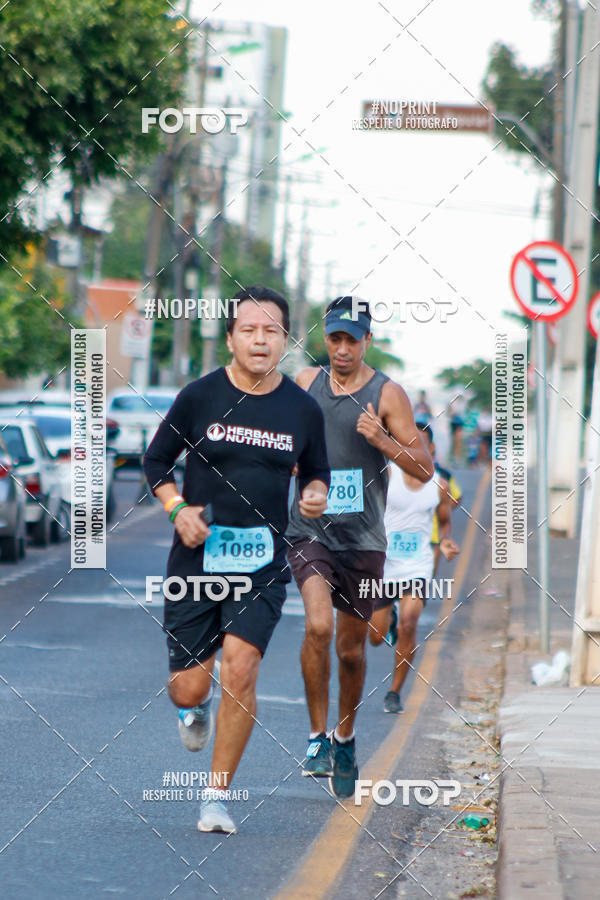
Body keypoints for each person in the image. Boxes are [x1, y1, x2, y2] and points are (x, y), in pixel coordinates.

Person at [143, 286, 330, 834]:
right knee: (191, 687)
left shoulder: (302, 409)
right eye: (249, 329)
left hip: (261, 563)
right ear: (230, 337)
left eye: (271, 330)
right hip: (196, 561)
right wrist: (177, 508)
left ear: (285, 340)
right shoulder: (200, 397)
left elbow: (318, 472)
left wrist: (315, 492)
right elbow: (155, 460)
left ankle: (216, 799)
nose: (260, 339)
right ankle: (191, 708)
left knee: (242, 669)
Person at [286, 296, 433, 798]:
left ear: (367, 340)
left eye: (352, 339)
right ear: (324, 339)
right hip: (312, 531)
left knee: (351, 651)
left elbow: (423, 467)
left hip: (365, 540)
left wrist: (382, 439)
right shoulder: (305, 384)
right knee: (318, 625)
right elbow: (277, 433)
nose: (342, 348)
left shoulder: (387, 394)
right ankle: (315, 738)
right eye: (335, 338)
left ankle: (345, 738)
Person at [368, 423, 460, 712]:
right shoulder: (387, 476)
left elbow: (444, 522)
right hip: (384, 565)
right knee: (375, 637)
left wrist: (445, 542)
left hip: (418, 565)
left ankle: (395, 692)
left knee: (411, 623)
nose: (413, 450)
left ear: (430, 450)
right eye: (408, 444)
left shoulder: (439, 486)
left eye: (420, 444)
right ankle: (389, 620)